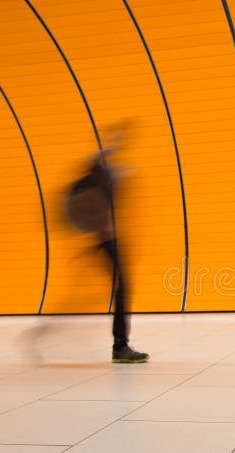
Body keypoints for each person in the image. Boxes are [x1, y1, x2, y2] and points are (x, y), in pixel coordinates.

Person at [66, 127, 149, 362]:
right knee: (122, 289)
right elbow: (92, 163)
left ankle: (120, 346)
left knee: (120, 289)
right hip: (107, 241)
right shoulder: (98, 172)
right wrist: (111, 147)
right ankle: (120, 347)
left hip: (109, 241)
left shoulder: (109, 175)